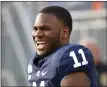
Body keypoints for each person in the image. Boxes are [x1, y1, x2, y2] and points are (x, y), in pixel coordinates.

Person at [27, 6, 97, 87]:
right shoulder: (35, 62)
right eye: (35, 29)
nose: (37, 34)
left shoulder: (70, 56)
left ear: (65, 33)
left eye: (45, 28)